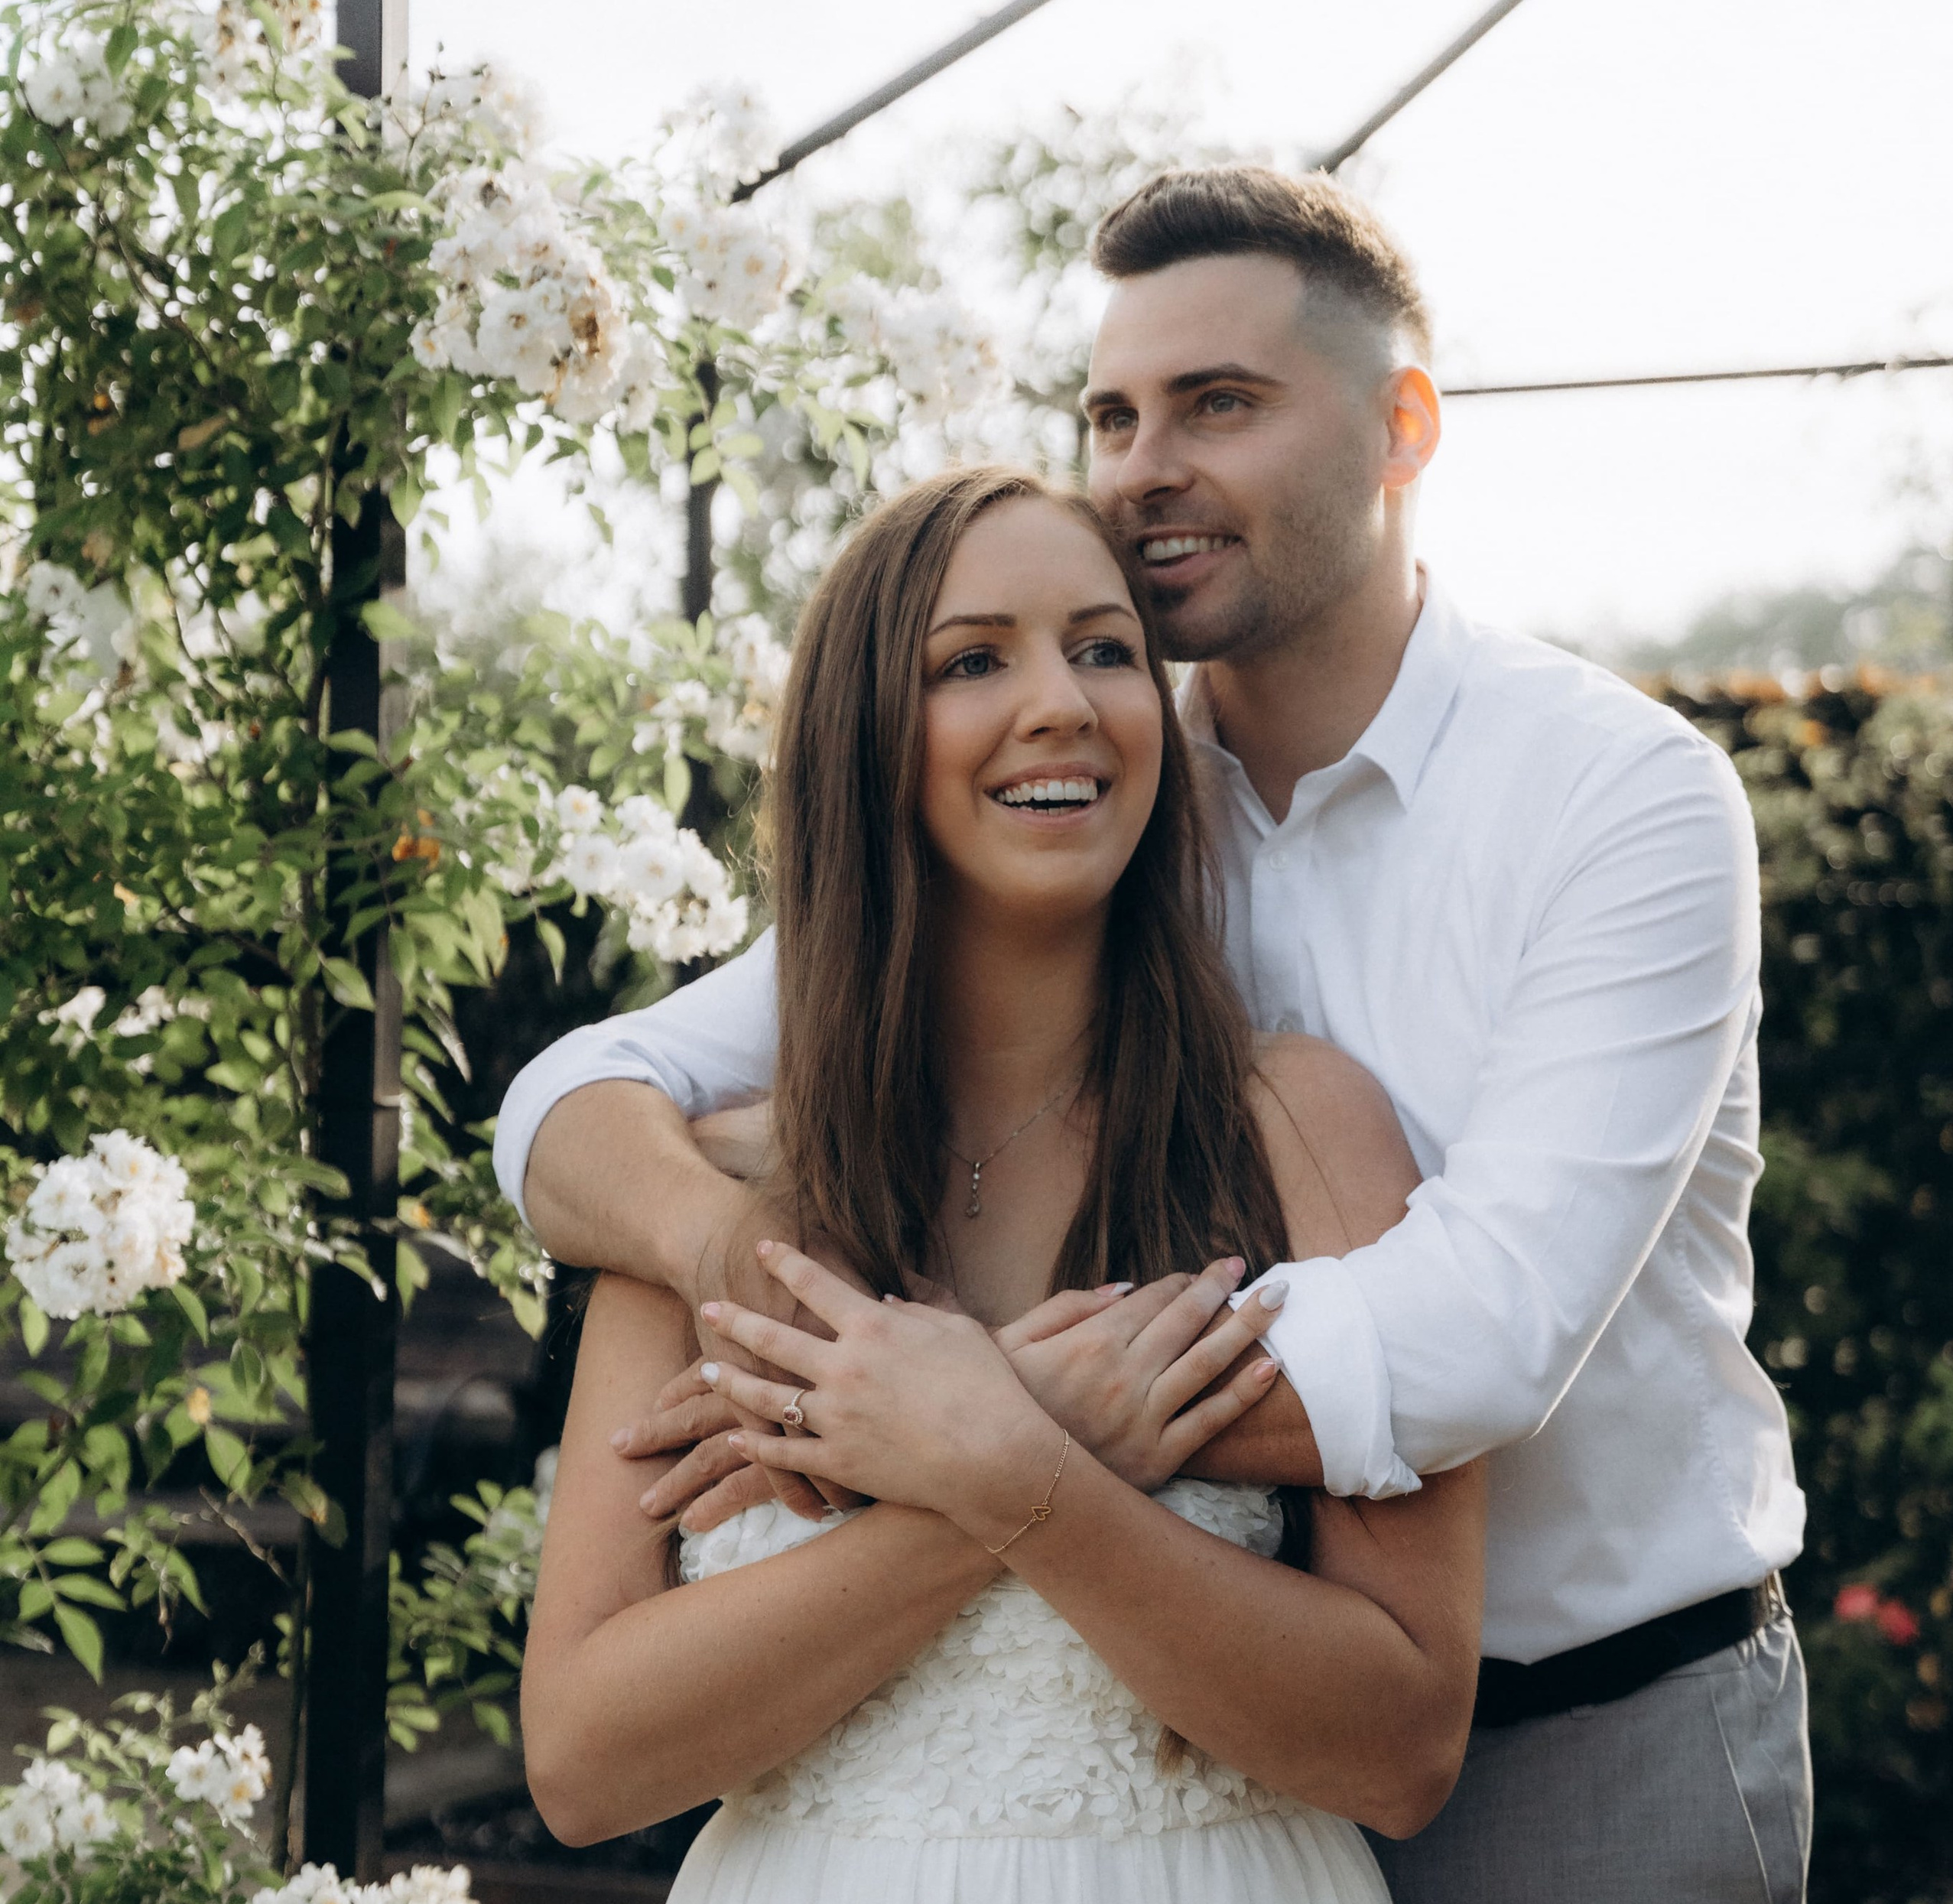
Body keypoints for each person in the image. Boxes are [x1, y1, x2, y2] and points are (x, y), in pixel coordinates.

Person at [501, 166, 1811, 1902]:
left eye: (1218, 404)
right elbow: (583, 1096)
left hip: (1583, 1723)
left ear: (1400, 425)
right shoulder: (1088, 782)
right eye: (1110, 412)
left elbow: (1484, 1335)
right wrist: (727, 1244)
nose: (1141, 466)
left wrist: (991, 1418)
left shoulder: (1615, 799)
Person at [522, 466, 1488, 1902]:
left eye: (1107, 650)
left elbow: (1403, 1747)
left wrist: (1008, 1465)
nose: (1063, 702)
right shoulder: (721, 1191)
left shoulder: (1302, 1128)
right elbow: (586, 1763)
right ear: (866, 741)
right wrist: (1004, 1459)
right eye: (974, 660)